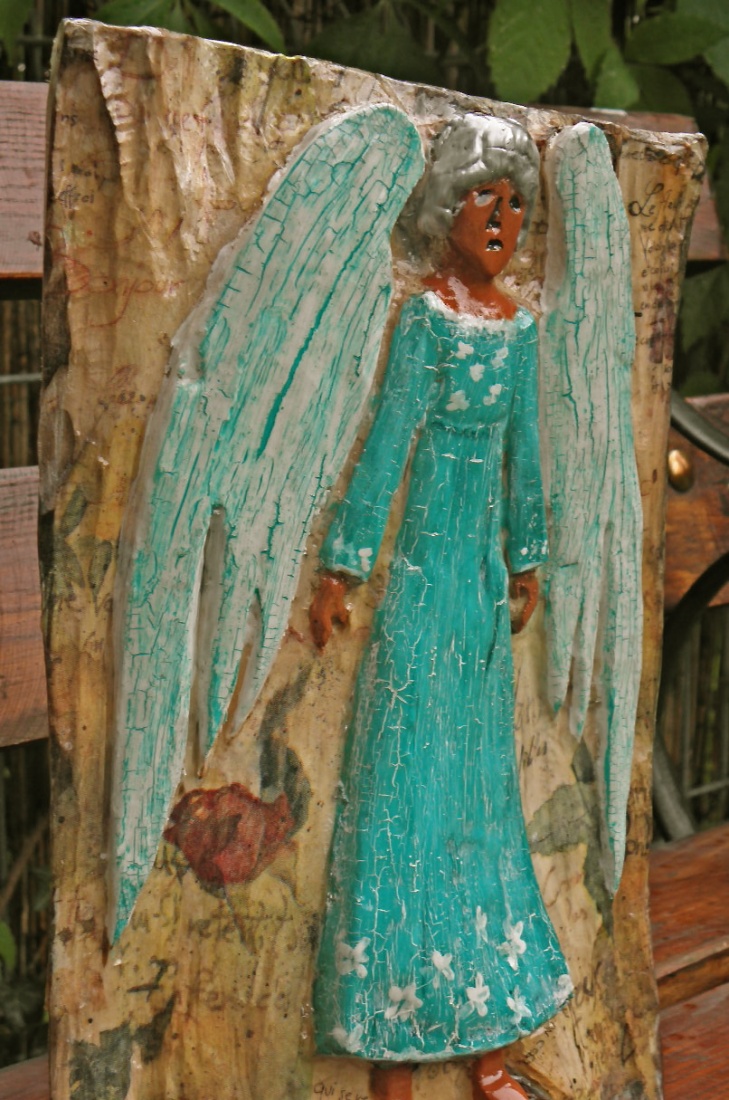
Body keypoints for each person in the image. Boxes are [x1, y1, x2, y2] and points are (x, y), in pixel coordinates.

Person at [309, 114, 572, 1100]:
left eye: (515, 205)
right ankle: (394, 1058)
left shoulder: (520, 330)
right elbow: (385, 444)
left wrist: (526, 560)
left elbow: (524, 455)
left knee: (479, 799)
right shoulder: (423, 320)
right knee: (401, 794)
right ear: (443, 211)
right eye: (481, 201)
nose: (500, 222)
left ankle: (488, 1049)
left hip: (477, 597)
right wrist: (342, 568)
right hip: (421, 587)